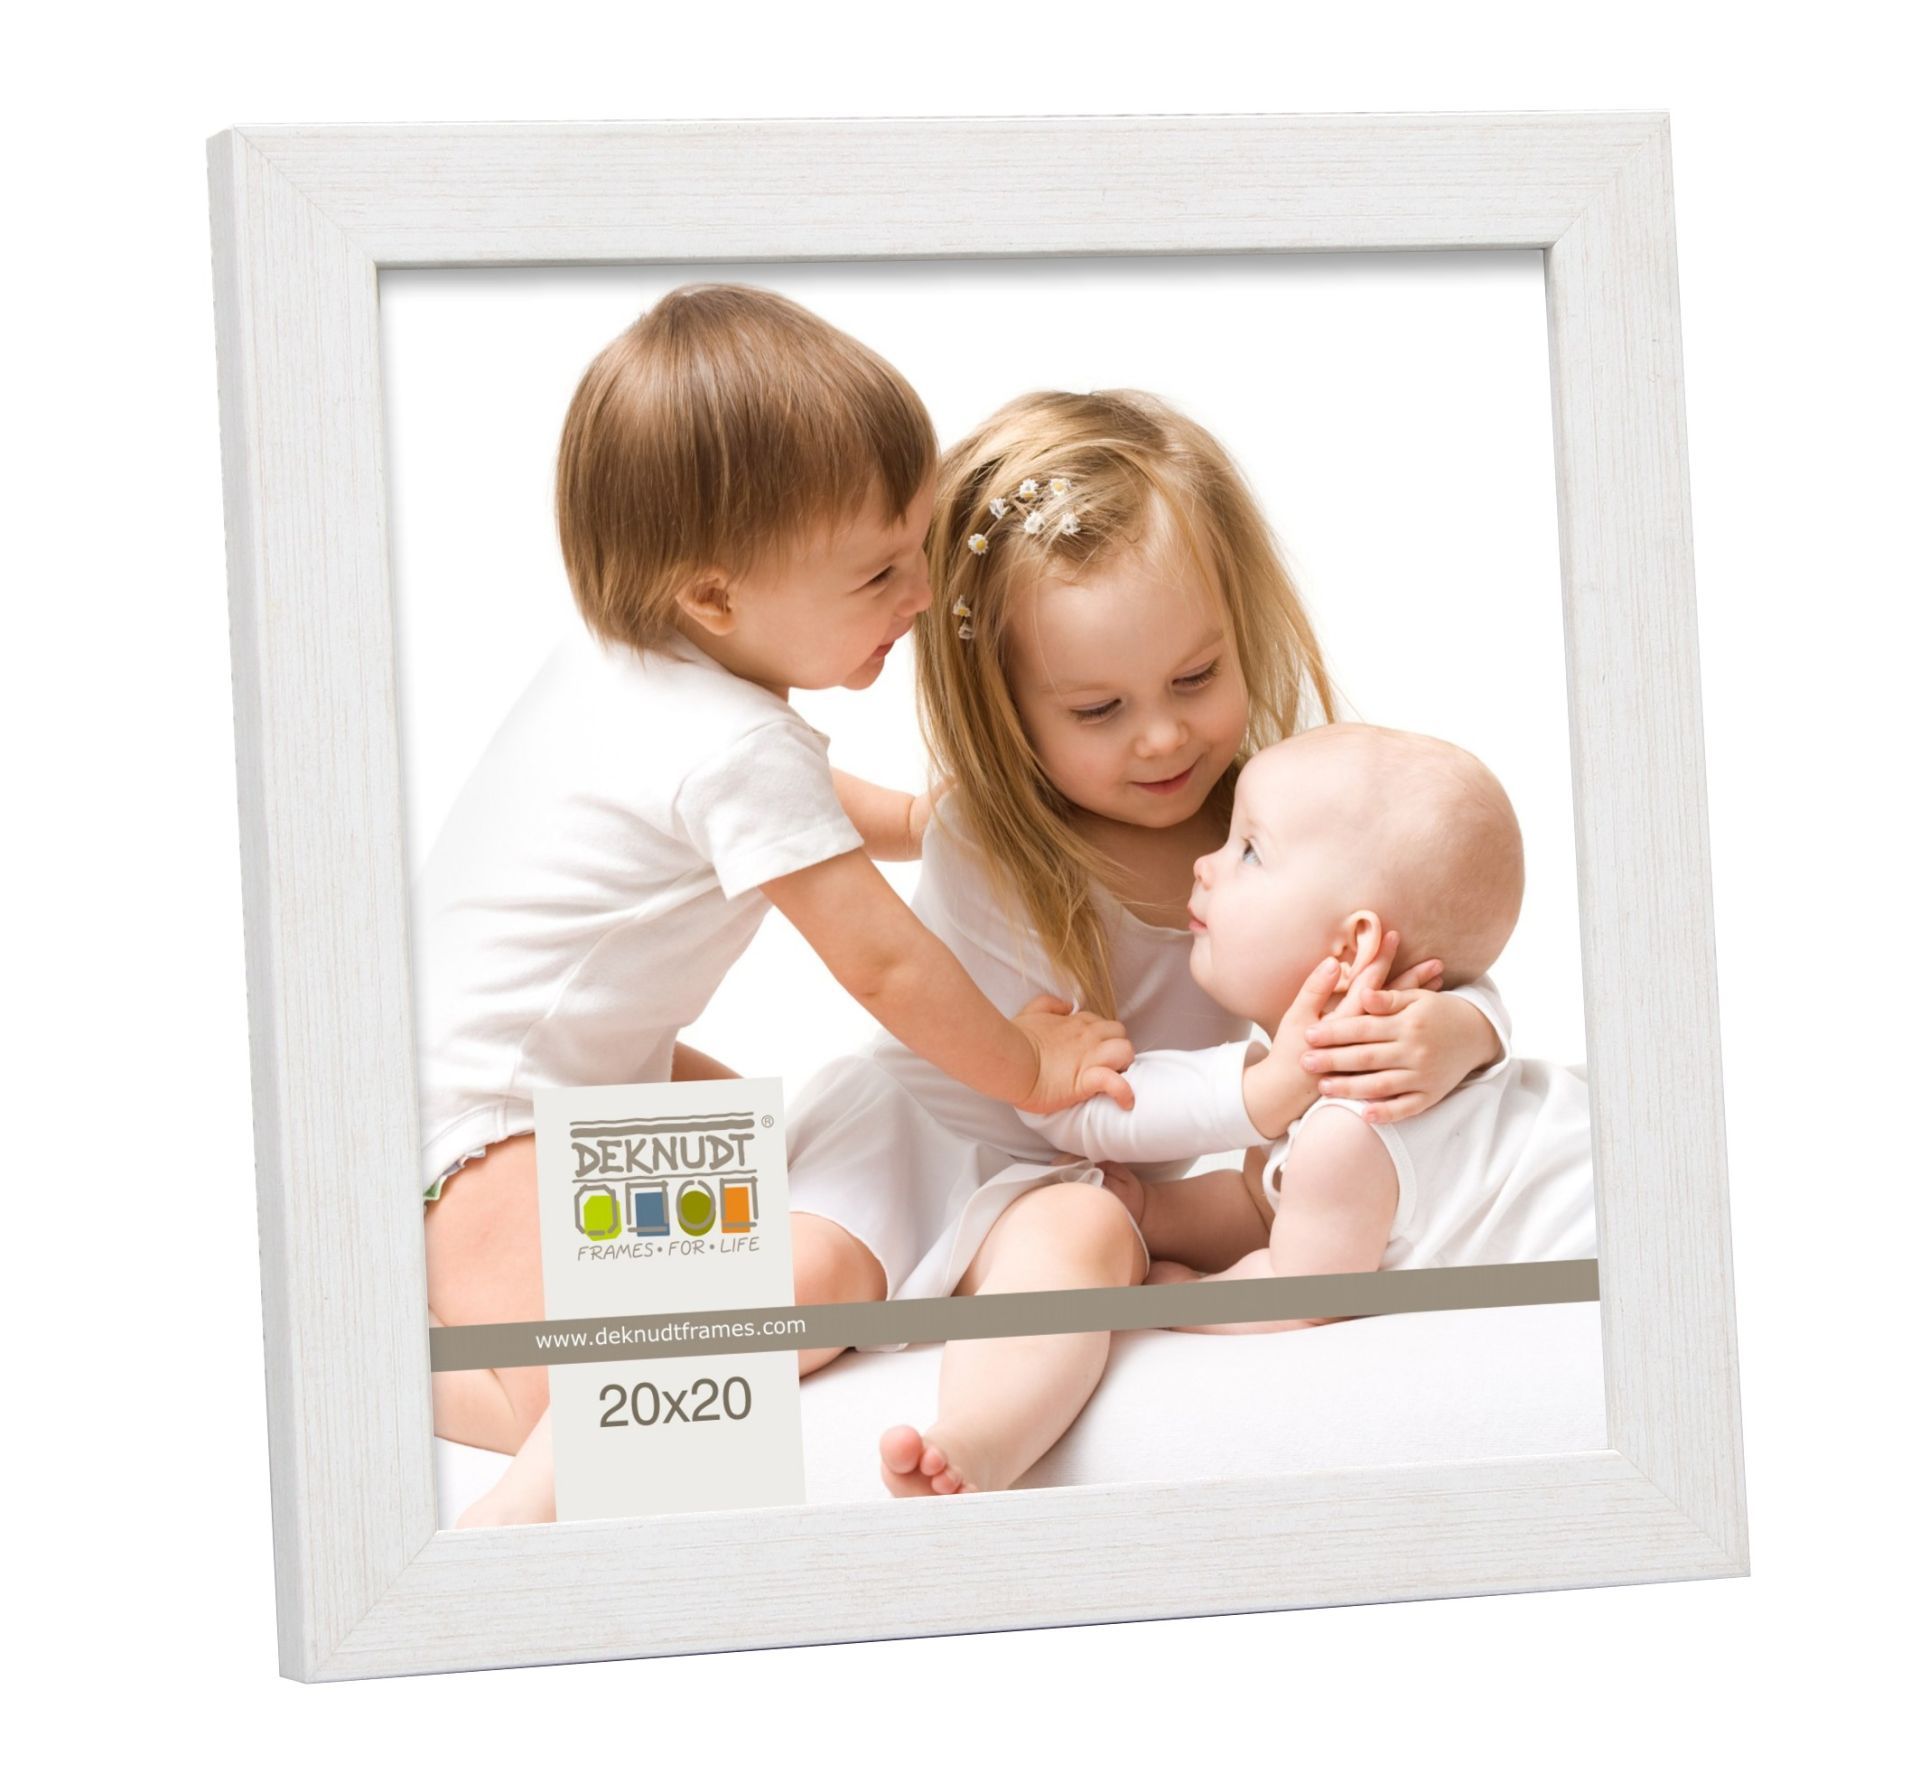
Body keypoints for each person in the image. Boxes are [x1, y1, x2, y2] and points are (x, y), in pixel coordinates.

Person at [421, 291, 1134, 1528]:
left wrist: (912, 817)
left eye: (918, 546)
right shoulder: (731, 746)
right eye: (878, 572)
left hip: (539, 1077)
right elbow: (884, 964)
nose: (922, 592)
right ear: (714, 597)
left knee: (791, 1186)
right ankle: (419, 1379)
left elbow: (775, 800)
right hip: (488, 1134)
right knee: (634, 1387)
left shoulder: (633, 667)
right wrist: (1027, 1065)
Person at [782, 390, 1514, 1497]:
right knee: (810, 1289)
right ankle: (536, 1404)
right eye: (1098, 710)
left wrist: (1461, 1028)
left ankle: (969, 1451)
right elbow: (1053, 1097)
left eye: (1195, 678)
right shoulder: (994, 846)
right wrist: (1264, 1090)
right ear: (1006, 708)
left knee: (1081, 1250)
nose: (1164, 736)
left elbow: (1431, 939)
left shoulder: (1279, 823)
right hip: (927, 1140)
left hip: (1083, 1182)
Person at [1069, 724, 1594, 1326]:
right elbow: (1267, 1207)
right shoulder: (1387, 1056)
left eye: (1250, 851)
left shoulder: (1350, 1127)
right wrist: (1154, 1211)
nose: (1204, 864)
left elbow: (1305, 1292)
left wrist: (1178, 1298)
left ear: (1350, 947)